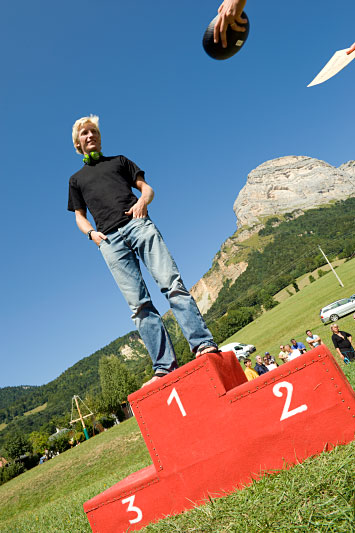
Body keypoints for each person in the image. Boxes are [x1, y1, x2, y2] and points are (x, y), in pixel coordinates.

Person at [68, 115, 218, 386]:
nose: (90, 136)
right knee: (139, 306)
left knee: (171, 284)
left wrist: (142, 203)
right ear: (78, 143)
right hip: (110, 242)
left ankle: (203, 345)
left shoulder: (120, 161)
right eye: (84, 134)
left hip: (138, 226)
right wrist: (92, 234)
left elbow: (147, 189)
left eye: (93, 132)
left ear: (99, 137)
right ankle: (164, 367)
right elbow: (79, 216)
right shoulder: (76, 180)